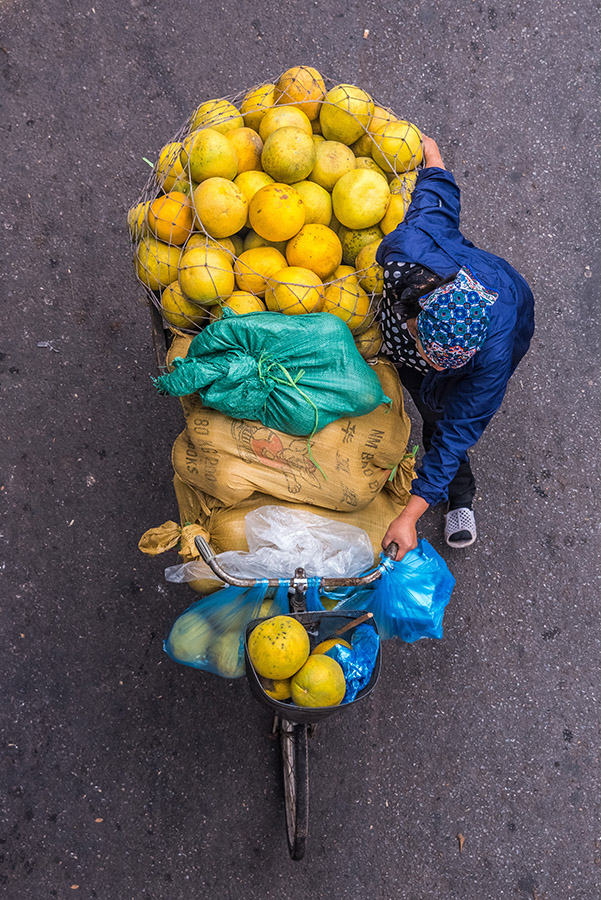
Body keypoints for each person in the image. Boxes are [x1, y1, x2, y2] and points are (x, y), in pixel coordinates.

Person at [378, 134, 534, 560]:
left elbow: (459, 432)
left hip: (487, 330)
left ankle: (458, 496)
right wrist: (430, 150)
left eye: (438, 361)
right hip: (416, 320)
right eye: (424, 349)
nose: (426, 361)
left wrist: (409, 517)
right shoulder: (414, 246)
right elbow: (437, 194)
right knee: (410, 380)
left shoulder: (490, 362)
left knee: (442, 417)